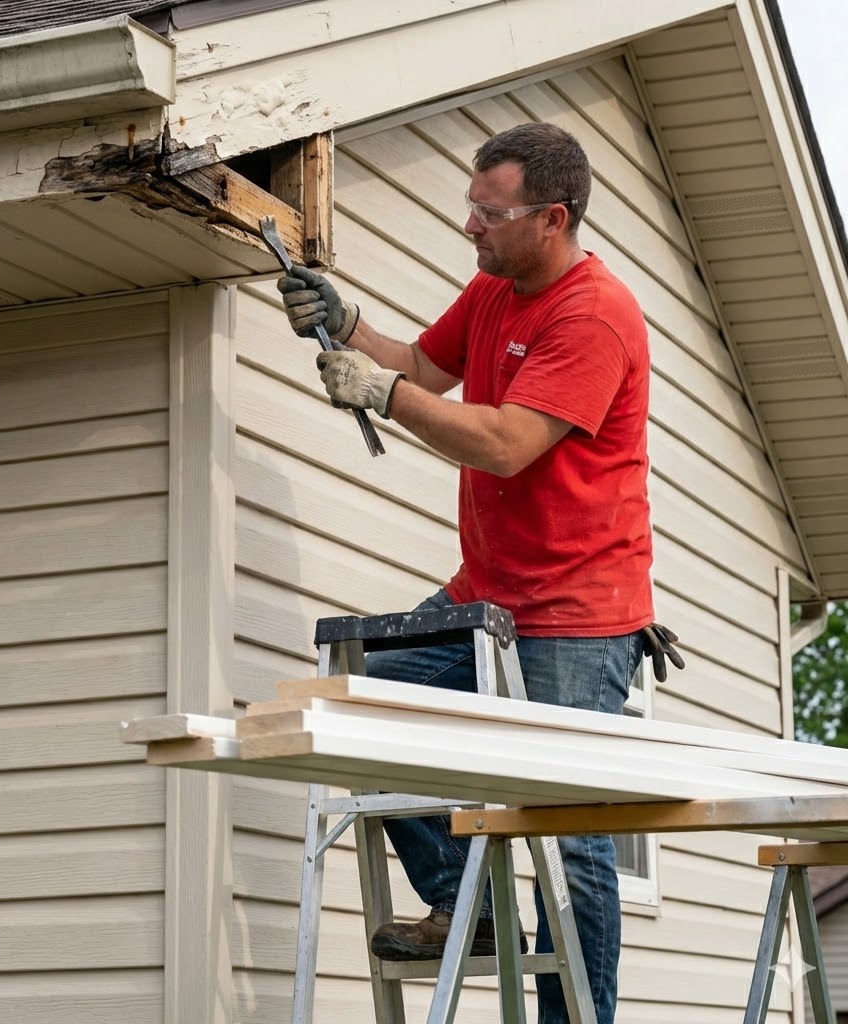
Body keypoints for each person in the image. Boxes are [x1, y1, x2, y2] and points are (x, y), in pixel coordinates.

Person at [276, 121, 683, 1024]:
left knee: (567, 837)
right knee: (362, 710)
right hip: (487, 592)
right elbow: (423, 365)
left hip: (578, 610)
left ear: (553, 217)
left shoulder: (594, 314)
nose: (471, 225)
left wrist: (384, 395)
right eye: (471, 206)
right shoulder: (496, 285)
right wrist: (347, 326)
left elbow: (506, 446)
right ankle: (473, 901)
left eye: (489, 214)